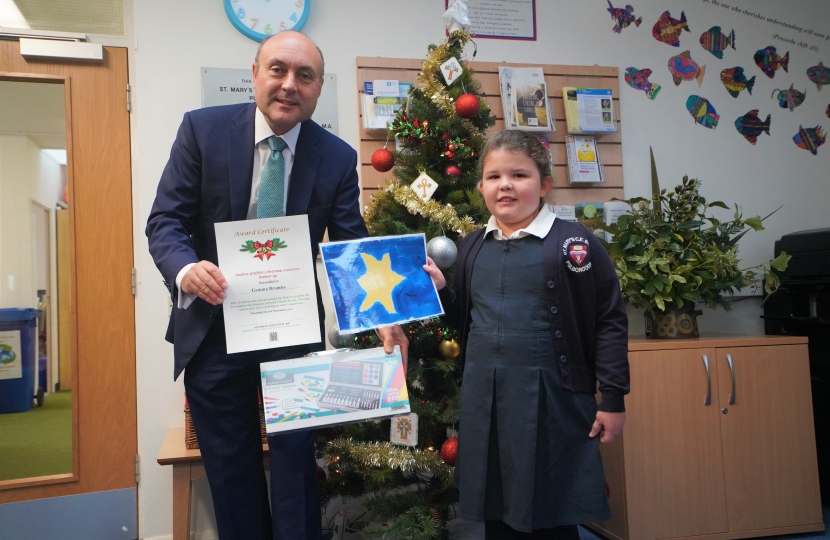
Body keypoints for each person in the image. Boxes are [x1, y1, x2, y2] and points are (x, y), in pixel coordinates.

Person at [146, 31, 407, 540]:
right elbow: (166, 222)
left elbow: (350, 249)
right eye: (278, 70)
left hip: (289, 331)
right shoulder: (202, 130)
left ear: (317, 87)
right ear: (255, 73)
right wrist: (185, 270)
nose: (290, 85)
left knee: (294, 468)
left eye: (304, 76)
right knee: (229, 469)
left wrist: (383, 319)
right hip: (213, 330)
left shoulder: (334, 157)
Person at [423, 130, 629, 540]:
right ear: (480, 185)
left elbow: (608, 320)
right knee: (496, 508)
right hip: (488, 400)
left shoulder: (575, 245)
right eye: (494, 176)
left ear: (544, 184)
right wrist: (444, 291)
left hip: (552, 399)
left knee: (551, 510)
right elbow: (466, 317)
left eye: (519, 174)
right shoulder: (470, 248)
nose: (505, 185)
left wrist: (613, 397)